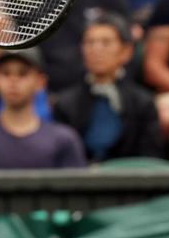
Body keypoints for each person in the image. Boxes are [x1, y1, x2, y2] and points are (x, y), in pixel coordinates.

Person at [52, 13, 163, 163]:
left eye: (106, 42)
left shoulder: (143, 103)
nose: (96, 49)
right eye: (89, 42)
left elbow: (151, 161)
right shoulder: (65, 104)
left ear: (126, 52)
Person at [0, 50, 86, 172]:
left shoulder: (64, 140)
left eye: (23, 73)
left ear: (40, 82)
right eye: (5, 73)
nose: (13, 81)